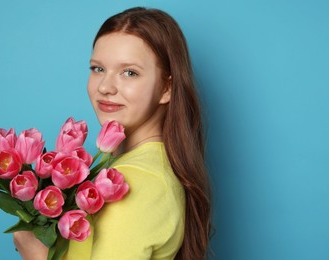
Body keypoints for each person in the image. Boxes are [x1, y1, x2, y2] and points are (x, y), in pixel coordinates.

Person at [13, 7, 211, 260]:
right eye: (97, 69)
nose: (105, 87)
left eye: (130, 72)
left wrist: (36, 255)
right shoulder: (144, 168)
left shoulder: (132, 180)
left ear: (166, 88)